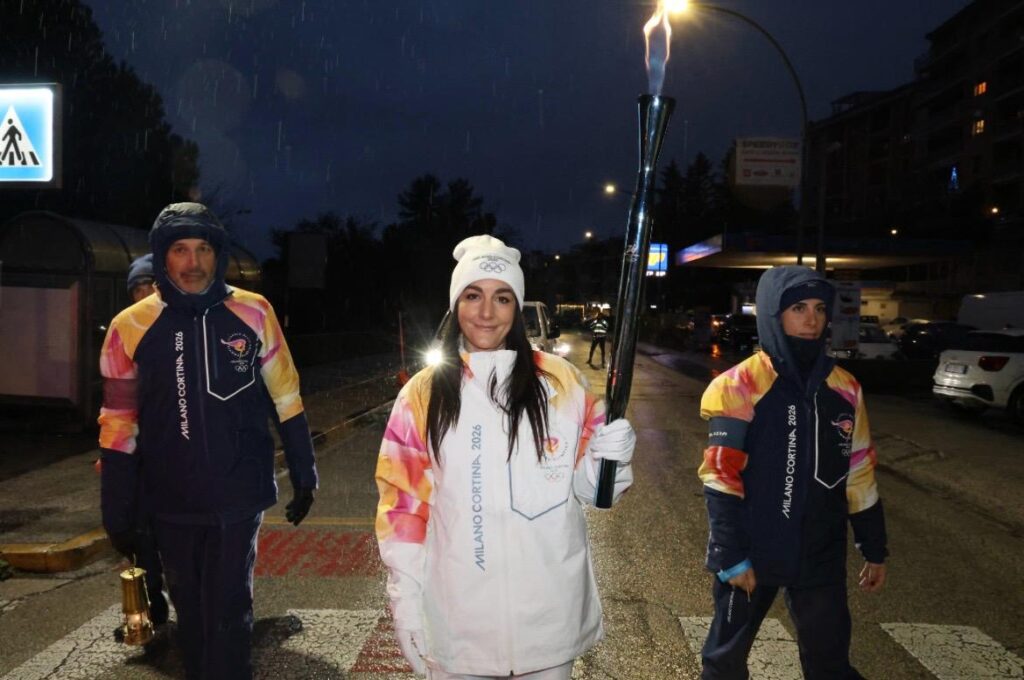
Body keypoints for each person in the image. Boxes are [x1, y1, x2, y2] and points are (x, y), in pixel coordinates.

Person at [375, 235, 636, 679]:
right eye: (473, 296)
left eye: (502, 298)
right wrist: (406, 601)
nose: (486, 312)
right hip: (460, 620)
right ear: (456, 303)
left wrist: (609, 459)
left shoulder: (562, 381)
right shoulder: (422, 394)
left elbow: (594, 492)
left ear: (516, 308)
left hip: (548, 621)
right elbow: (403, 507)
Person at [98, 202, 318, 680]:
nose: (193, 262)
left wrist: (305, 471)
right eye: (180, 249)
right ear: (162, 256)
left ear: (218, 255)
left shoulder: (254, 311)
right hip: (170, 501)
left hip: (238, 497)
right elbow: (118, 422)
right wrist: (116, 509)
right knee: (192, 617)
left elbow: (287, 396)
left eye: (203, 249)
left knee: (229, 608)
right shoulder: (128, 327)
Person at [696, 265, 888, 680]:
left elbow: (860, 474)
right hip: (751, 551)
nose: (812, 319)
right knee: (724, 663)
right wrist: (729, 555)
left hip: (819, 553)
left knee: (830, 664)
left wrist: (874, 548)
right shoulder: (738, 384)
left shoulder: (846, 389)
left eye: (820, 308)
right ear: (772, 313)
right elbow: (720, 477)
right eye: (797, 307)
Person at [103, 253, 169, 627]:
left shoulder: (177, 334)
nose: (143, 296)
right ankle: (152, 606)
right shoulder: (125, 332)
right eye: (137, 290)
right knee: (139, 535)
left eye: (149, 288)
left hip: (173, 456)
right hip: (137, 457)